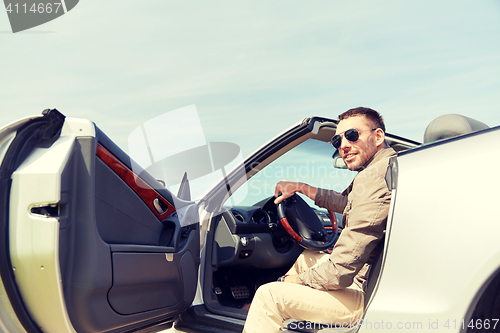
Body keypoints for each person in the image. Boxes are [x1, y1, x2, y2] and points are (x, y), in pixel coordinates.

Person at [243, 107, 396, 332]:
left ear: (378, 136)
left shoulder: (376, 177)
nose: (343, 145)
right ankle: (280, 319)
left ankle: (269, 313)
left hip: (367, 295)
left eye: (352, 135)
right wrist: (302, 188)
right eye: (337, 140)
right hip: (370, 277)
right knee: (308, 257)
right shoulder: (383, 169)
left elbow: (340, 271)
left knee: (268, 295)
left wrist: (289, 283)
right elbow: (347, 203)